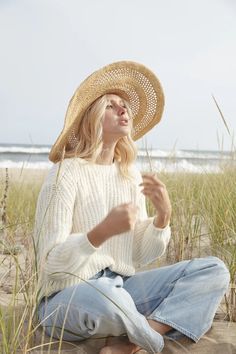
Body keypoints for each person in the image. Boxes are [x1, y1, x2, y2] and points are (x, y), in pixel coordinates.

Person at [34, 61, 230, 354]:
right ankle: (152, 340)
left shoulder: (128, 175)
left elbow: (139, 255)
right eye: (111, 106)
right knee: (105, 296)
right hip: (69, 297)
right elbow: (51, 265)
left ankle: (133, 341)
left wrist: (162, 219)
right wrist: (99, 233)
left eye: (124, 105)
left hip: (123, 289)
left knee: (214, 270)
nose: (123, 110)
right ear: (92, 117)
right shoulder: (66, 172)